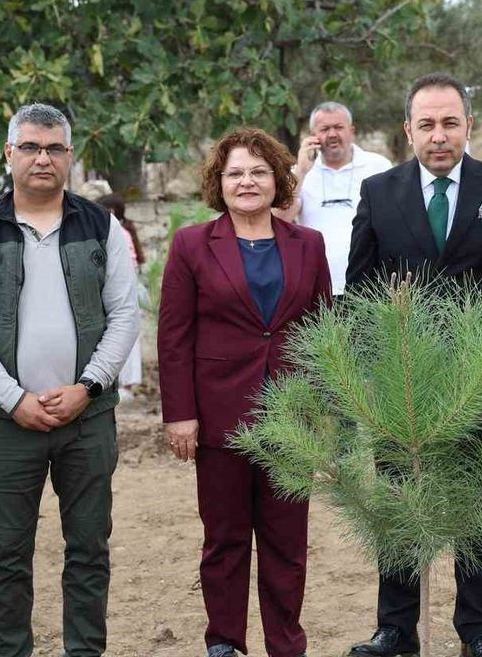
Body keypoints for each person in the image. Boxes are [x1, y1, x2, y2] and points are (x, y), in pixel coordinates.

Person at [345, 73, 482, 657]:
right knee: (399, 505)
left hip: (477, 380)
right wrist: (370, 377)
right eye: (426, 124)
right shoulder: (380, 193)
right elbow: (360, 292)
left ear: (468, 126)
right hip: (402, 383)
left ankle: (478, 631)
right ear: (408, 130)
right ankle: (395, 628)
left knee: (477, 509)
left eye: (450, 122)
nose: (439, 136)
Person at [0, 103, 139, 657]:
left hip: (88, 420)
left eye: (54, 148)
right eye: (29, 147)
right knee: (6, 555)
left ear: (70, 157)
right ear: (9, 154)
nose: (42, 158)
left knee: (88, 551)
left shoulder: (102, 225)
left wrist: (90, 387)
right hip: (10, 424)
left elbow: (124, 314)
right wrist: (12, 399)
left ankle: (85, 650)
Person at [157, 127, 331, 657]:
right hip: (219, 419)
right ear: (219, 182)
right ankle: (225, 642)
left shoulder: (309, 244)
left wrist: (324, 415)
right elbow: (174, 336)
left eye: (258, 172)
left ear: (279, 180)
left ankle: (285, 643)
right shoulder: (191, 244)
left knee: (286, 544)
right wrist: (180, 415)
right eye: (235, 173)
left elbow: (324, 332)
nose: (247, 181)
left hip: (291, 417)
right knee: (225, 540)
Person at [279, 101, 392, 295]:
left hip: (370, 286)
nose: (332, 134)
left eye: (338, 127)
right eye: (324, 129)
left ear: (352, 131)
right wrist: (301, 172)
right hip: (315, 286)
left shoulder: (378, 166)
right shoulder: (297, 174)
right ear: (313, 136)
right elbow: (279, 221)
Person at [96, 192, 145, 396]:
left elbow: (128, 268)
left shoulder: (119, 233)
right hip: (114, 291)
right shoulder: (113, 231)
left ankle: (127, 384)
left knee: (126, 335)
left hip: (124, 291)